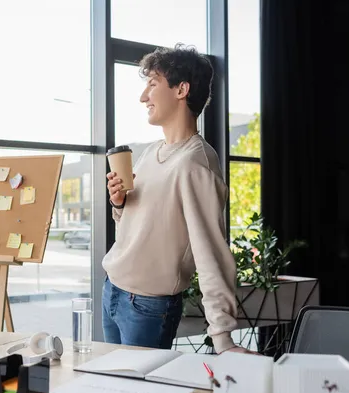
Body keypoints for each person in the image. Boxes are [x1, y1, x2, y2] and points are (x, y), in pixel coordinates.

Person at [102, 44, 250, 355]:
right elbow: (137, 226)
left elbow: (211, 252)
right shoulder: (149, 153)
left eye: (152, 84)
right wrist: (120, 205)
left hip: (148, 307)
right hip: (112, 290)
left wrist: (222, 337)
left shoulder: (195, 163)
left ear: (181, 89)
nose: (144, 97)